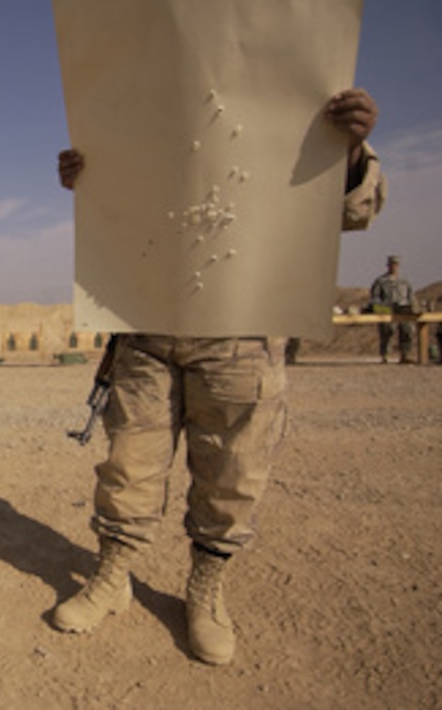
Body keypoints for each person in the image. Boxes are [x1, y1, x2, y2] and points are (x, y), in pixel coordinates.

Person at [53, 87, 386, 665]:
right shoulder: (140, 108)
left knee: (232, 472)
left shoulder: (284, 111)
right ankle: (113, 575)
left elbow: (354, 212)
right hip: (147, 326)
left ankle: (205, 590)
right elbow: (120, 214)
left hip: (242, 327)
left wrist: (350, 154)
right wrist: (89, 176)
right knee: (128, 465)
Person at [369, 255, 415, 363]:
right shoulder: (381, 281)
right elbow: (374, 298)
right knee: (387, 331)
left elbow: (411, 296)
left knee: (406, 330)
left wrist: (411, 307)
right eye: (391, 264)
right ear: (387, 265)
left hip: (403, 310)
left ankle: (405, 354)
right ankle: (385, 355)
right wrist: (381, 308)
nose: (393, 267)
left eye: (395, 264)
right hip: (387, 310)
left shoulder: (404, 281)